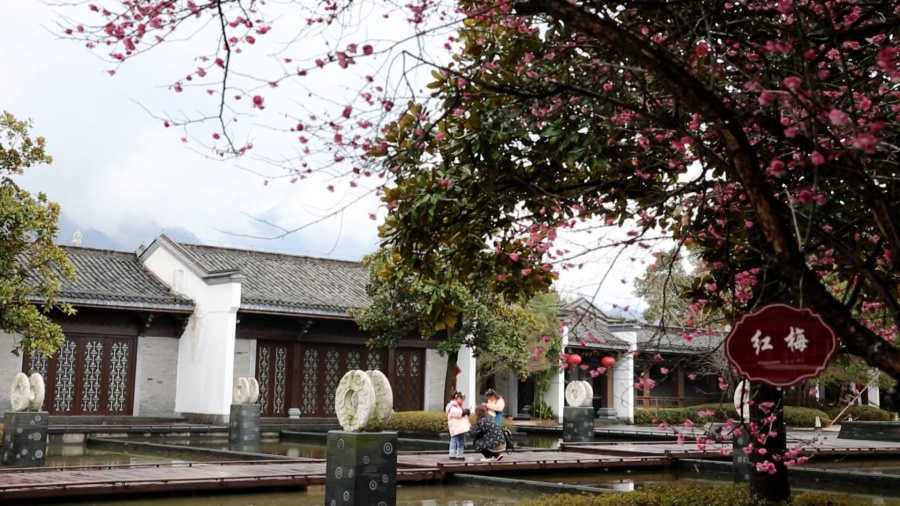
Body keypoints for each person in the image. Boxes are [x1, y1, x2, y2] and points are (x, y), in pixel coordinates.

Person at [445, 391, 471, 461]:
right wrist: (465, 411)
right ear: (457, 398)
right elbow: (458, 414)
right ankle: (452, 455)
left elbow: (462, 414)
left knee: (462, 441)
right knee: (454, 441)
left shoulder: (459, 406)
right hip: (456, 427)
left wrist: (466, 411)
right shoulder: (452, 406)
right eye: (461, 399)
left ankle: (459, 455)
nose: (462, 400)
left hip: (461, 428)